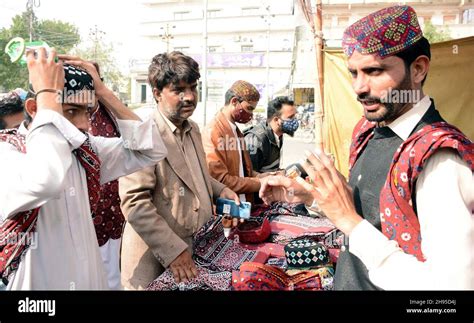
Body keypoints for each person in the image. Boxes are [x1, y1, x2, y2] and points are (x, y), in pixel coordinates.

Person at [259, 5, 473, 290]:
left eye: (374, 71)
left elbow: (448, 290)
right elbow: (370, 215)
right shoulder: (369, 130)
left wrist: (349, 222)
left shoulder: (440, 159)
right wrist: (311, 196)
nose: (359, 87)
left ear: (418, 68)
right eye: (354, 73)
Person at [0, 49, 168, 290]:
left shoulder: (86, 151)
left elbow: (151, 150)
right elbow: (45, 180)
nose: (84, 124)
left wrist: (102, 91)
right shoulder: (8, 153)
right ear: (34, 108)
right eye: (70, 111)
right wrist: (48, 94)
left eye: (87, 112)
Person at [119, 51, 239, 290]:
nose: (190, 97)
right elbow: (134, 204)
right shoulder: (142, 135)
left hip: (194, 254)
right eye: (179, 90)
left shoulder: (193, 129)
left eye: (193, 88)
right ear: (157, 94)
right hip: (155, 261)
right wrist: (173, 250)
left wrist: (221, 190)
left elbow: (197, 176)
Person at [82, 62, 126, 290]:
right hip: (83, 220)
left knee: (113, 279)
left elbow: (145, 144)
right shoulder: (66, 117)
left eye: (92, 80)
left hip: (115, 214)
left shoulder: (111, 114)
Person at [202, 80, 265, 204]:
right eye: (249, 108)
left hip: (242, 204)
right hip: (227, 209)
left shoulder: (236, 131)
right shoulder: (214, 131)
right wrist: (259, 183)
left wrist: (263, 176)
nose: (251, 114)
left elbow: (242, 170)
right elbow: (221, 180)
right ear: (234, 102)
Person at [244, 96, 298, 173]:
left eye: (295, 116)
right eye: (291, 117)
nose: (295, 120)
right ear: (276, 120)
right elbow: (249, 176)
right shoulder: (256, 139)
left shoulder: (278, 135)